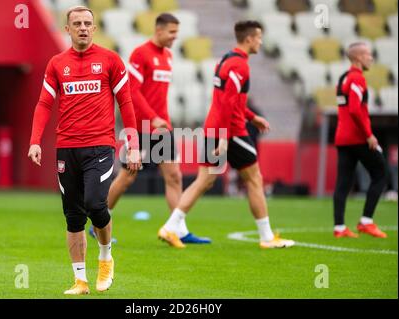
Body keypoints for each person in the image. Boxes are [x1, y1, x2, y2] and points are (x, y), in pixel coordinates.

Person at [28, 6, 141, 295]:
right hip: (67, 148)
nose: (82, 27)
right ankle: (80, 280)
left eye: (87, 23)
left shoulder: (111, 60)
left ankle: (105, 258)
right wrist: (35, 140)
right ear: (67, 29)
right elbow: (43, 104)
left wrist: (134, 145)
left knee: (95, 204)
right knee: (73, 216)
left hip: (100, 146)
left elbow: (126, 104)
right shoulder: (56, 64)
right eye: (76, 23)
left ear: (94, 28)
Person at [157, 21, 295, 249]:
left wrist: (252, 117)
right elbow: (229, 102)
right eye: (259, 37)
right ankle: (267, 237)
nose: (260, 42)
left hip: (216, 128)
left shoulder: (225, 60)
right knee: (254, 179)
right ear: (249, 39)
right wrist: (224, 137)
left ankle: (170, 227)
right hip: (230, 132)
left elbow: (226, 99)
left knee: (205, 181)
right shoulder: (240, 65)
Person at [90, 13, 210, 244]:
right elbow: (132, 92)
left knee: (174, 176)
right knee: (127, 177)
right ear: (159, 30)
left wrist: (161, 119)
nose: (175, 37)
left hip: (162, 127)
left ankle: (177, 229)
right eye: (172, 32)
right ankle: (99, 224)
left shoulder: (168, 56)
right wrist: (152, 118)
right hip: (142, 126)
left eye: (177, 32)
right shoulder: (140, 54)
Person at [333, 42, 388, 238]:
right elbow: (355, 109)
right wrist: (368, 135)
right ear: (357, 58)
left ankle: (339, 227)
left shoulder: (343, 78)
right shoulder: (357, 78)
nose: (371, 58)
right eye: (368, 55)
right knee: (381, 172)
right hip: (357, 137)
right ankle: (366, 221)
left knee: (343, 183)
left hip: (342, 137)